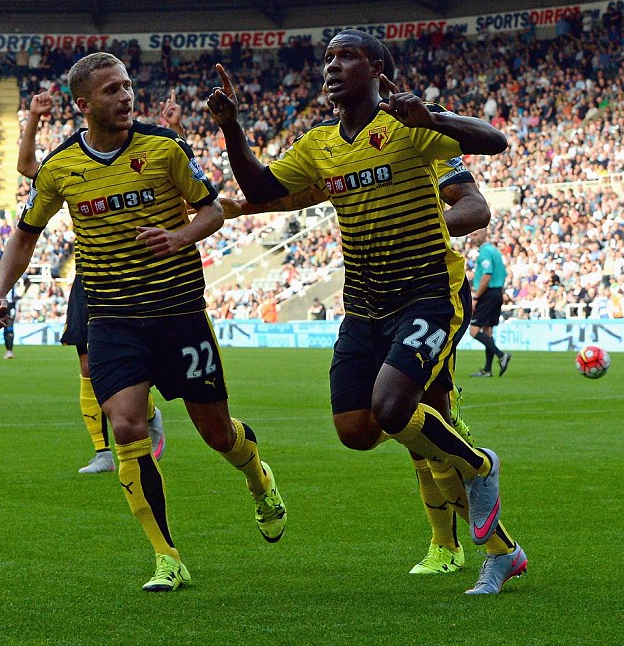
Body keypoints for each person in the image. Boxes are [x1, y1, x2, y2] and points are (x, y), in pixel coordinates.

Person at [209, 30, 524, 593]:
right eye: (327, 58)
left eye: (345, 56)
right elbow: (257, 186)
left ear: (377, 69)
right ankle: (497, 543)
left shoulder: (411, 123)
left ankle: (480, 473)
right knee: (358, 429)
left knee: (398, 407)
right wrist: (232, 124)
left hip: (428, 291)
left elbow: (495, 142)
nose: (331, 67)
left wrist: (433, 119)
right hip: (364, 305)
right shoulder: (318, 145)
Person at [0, 52, 287, 592]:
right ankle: (166, 556)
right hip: (113, 318)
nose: (125, 97)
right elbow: (26, 234)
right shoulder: (60, 168)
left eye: (127, 87)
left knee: (216, 434)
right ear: (83, 105)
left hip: (178, 313)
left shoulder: (164, 147)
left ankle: (257, 476)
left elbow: (212, 209)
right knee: (125, 426)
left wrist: (178, 238)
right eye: (111, 90)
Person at [17, 90, 168, 470]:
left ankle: (147, 413)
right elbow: (26, 166)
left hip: (141, 276)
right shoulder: (68, 163)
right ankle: (103, 451)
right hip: (90, 274)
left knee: (138, 364)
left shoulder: (144, 152)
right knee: (87, 366)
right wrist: (34, 117)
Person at [468, 226, 512, 378]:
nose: (472, 237)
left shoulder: (485, 252)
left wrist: (476, 297)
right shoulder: (495, 251)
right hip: (496, 292)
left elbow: (487, 275)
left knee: (473, 330)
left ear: (484, 235)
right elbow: (503, 273)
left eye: (475, 233)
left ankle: (501, 355)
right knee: (488, 330)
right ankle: (487, 370)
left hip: (488, 294)